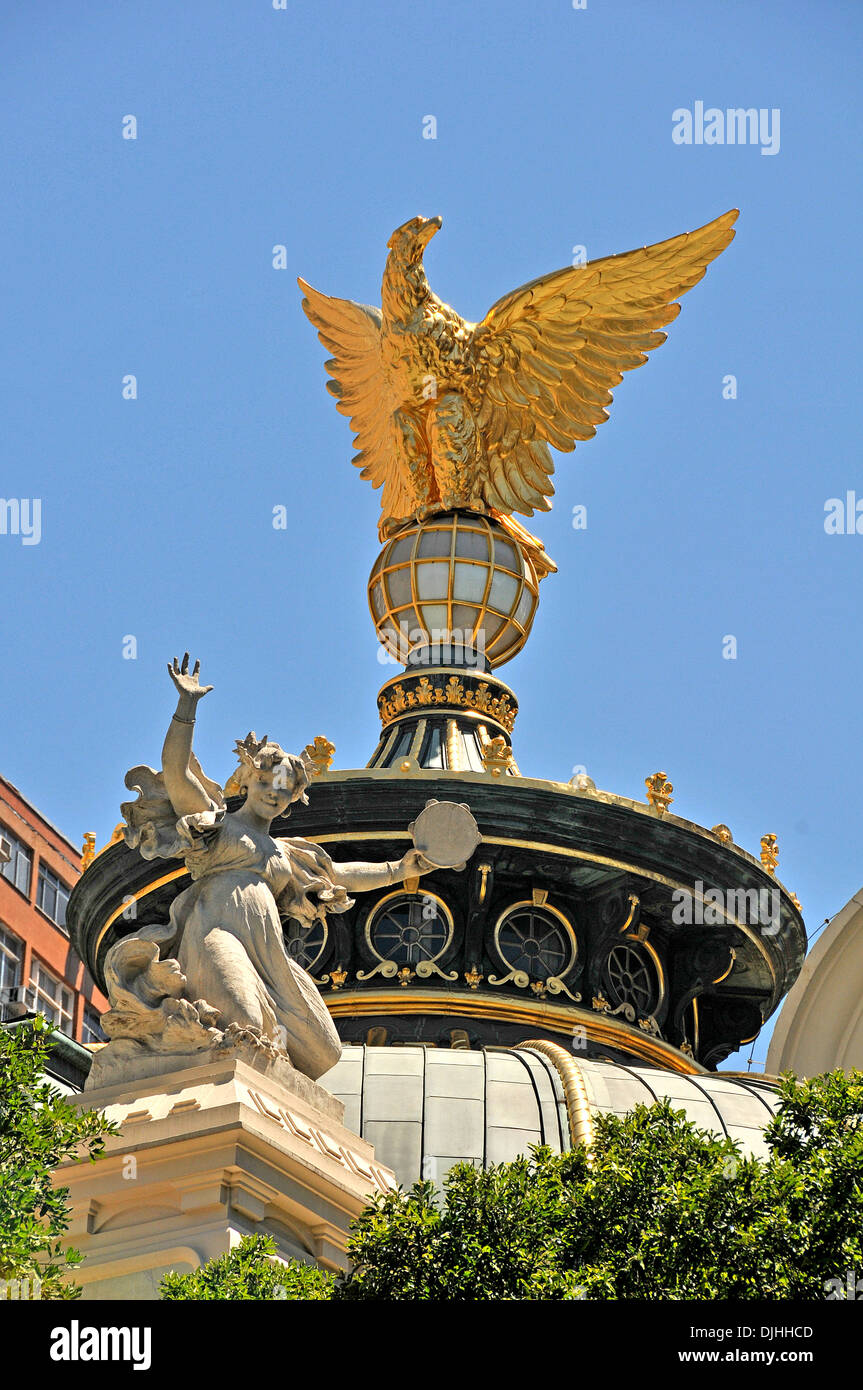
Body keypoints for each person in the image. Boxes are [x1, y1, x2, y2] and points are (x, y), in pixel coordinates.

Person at [103, 654, 434, 1081]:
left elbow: (338, 875)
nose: (272, 795)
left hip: (268, 952)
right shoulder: (214, 825)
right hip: (216, 935)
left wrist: (399, 867)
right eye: (264, 783)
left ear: (294, 796)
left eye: (283, 790)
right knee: (242, 1023)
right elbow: (176, 772)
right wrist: (186, 708)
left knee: (323, 1048)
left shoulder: (284, 853)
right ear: (246, 780)